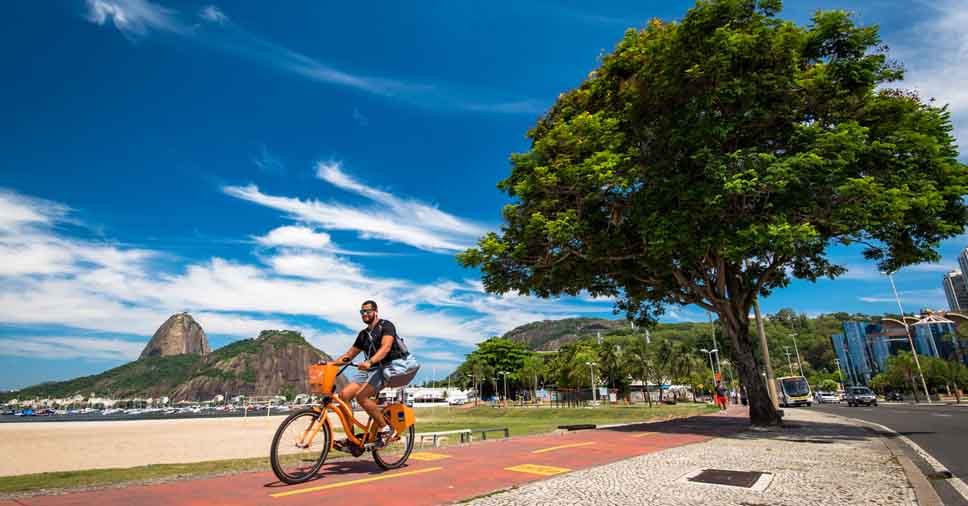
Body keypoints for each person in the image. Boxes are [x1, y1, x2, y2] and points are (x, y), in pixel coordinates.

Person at [333, 300, 411, 447]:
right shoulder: (363, 335)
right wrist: (331, 364)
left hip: (387, 367)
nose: (365, 314)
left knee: (361, 396)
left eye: (368, 311)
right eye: (362, 312)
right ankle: (352, 439)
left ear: (375, 311)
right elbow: (349, 355)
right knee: (344, 395)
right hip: (370, 369)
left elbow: (386, 347)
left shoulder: (386, 326)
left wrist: (370, 361)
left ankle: (387, 429)